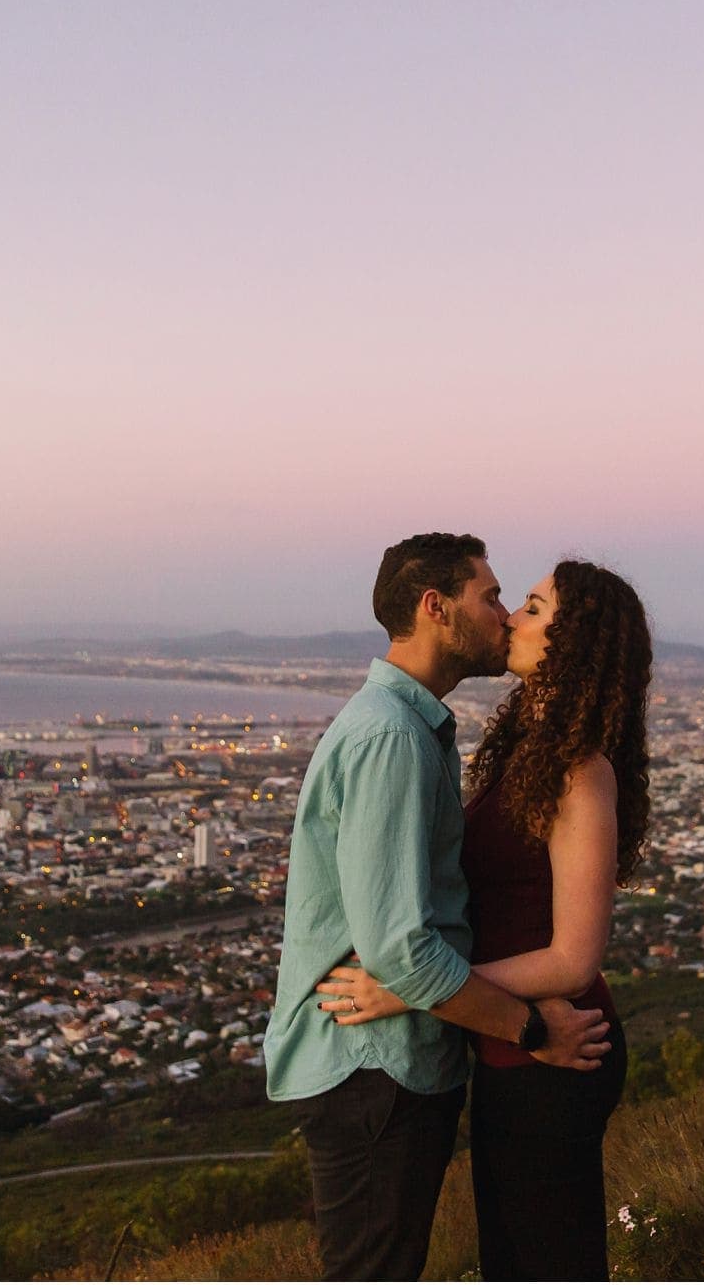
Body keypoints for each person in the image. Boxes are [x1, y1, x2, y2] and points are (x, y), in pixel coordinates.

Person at [262, 533, 613, 1282]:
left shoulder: (422, 731)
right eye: (491, 598)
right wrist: (527, 1027)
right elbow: (400, 951)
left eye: (523, 605)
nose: (505, 616)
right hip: (372, 1065)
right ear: (435, 608)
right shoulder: (393, 737)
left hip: (403, 1059)